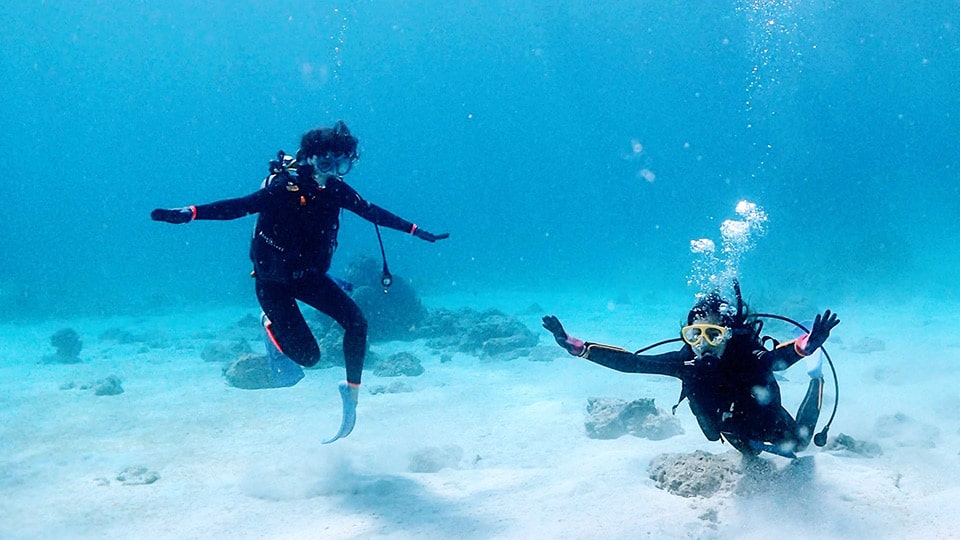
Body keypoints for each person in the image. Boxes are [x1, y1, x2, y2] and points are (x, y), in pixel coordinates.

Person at [151, 121, 449, 443]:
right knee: (309, 358)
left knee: (357, 323)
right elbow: (239, 206)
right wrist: (190, 212)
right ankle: (270, 324)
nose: (331, 172)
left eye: (341, 165)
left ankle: (352, 394)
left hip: (309, 276)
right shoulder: (283, 190)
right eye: (324, 163)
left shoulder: (336, 190)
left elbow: (373, 212)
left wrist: (416, 230)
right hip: (273, 282)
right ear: (309, 159)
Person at [542, 283, 840, 458]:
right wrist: (578, 347)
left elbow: (778, 359)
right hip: (729, 429)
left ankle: (817, 378)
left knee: (798, 446)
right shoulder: (686, 363)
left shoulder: (747, 355)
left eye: (713, 335)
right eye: (695, 335)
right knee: (750, 453)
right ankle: (749, 441)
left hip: (765, 418)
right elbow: (632, 363)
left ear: (728, 335)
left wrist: (806, 347)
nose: (703, 346)